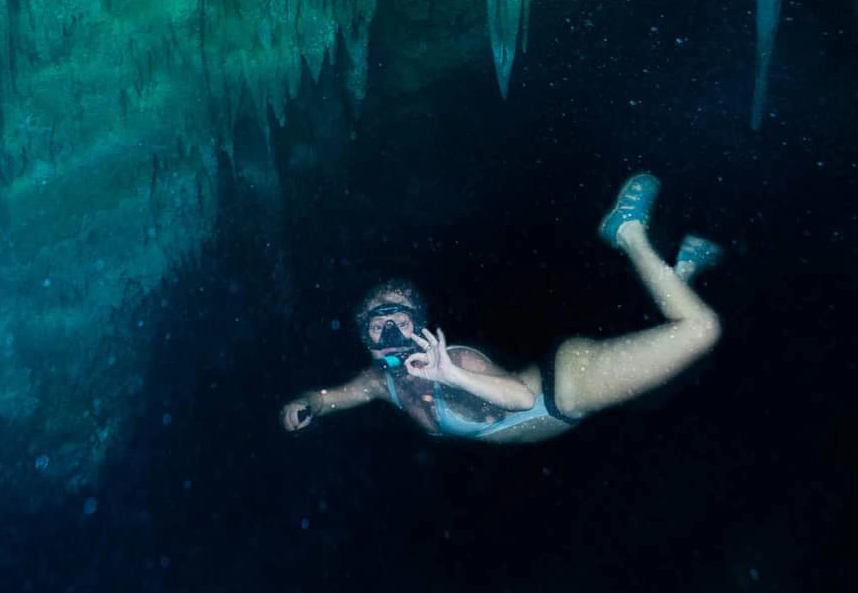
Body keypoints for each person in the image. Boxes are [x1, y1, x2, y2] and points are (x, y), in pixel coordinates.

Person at [280, 173, 723, 444]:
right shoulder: (379, 383)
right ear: (365, 337)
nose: (391, 330)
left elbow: (520, 398)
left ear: (420, 325)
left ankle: (627, 231)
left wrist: (450, 375)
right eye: (379, 324)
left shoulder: (457, 360)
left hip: (562, 390)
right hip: (564, 392)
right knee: (668, 369)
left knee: (700, 330)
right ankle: (679, 274)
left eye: (400, 318)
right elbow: (330, 398)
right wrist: (304, 404)